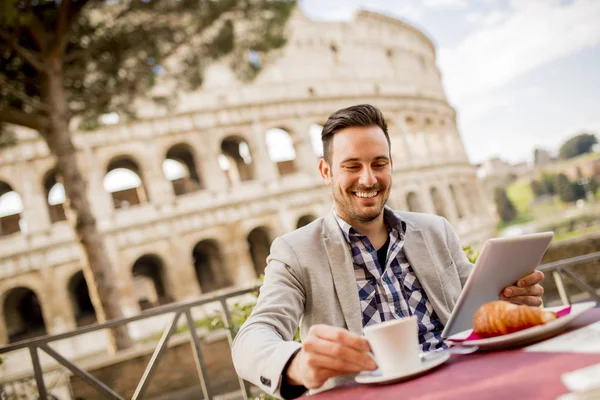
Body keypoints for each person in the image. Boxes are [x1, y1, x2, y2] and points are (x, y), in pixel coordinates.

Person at [232, 104, 544, 399]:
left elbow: (477, 306)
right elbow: (252, 338)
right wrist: (295, 363)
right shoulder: (295, 251)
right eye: (352, 166)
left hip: (470, 384)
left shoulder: (436, 230)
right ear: (326, 171)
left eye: (379, 164)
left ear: (390, 166)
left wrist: (510, 301)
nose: (368, 179)